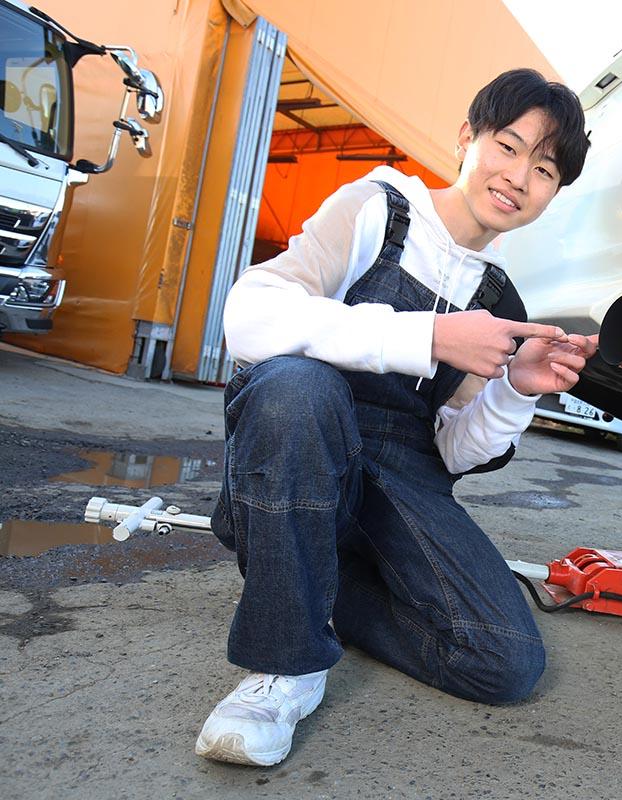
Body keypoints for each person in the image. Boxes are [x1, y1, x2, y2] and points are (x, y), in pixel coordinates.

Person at [194, 68, 592, 767]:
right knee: (297, 386)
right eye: (507, 146)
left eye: (544, 169)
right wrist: (430, 336)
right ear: (466, 137)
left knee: (504, 661)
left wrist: (516, 390)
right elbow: (248, 317)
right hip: (302, 446)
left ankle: (305, 576)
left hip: (402, 471)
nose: (518, 177)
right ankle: (284, 667)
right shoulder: (378, 209)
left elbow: (454, 452)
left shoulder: (500, 299)